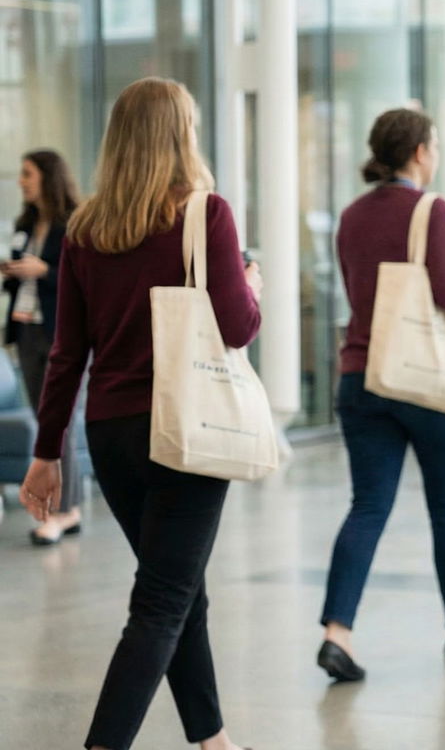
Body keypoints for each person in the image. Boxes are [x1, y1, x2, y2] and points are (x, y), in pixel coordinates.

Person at [18, 77, 260, 750]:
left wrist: (46, 454)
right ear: (183, 134)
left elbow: (67, 353)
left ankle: (211, 738)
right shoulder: (204, 214)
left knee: (178, 586)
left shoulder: (84, 229)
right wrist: (253, 286)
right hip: (188, 430)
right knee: (161, 600)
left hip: (112, 433)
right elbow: (238, 328)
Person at [316, 107, 445, 683]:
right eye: (436, 145)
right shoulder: (432, 209)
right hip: (425, 381)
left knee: (368, 504)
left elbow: (356, 289)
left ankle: (336, 633)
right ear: (420, 152)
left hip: (362, 374)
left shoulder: (349, 215)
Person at [3, 148, 82, 544]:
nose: (21, 180)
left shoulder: (74, 224)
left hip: (60, 334)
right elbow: (20, 278)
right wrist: (12, 272)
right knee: (44, 420)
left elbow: (80, 281)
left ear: (47, 177)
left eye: (27, 173)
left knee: (59, 424)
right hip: (27, 329)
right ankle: (69, 508)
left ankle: (62, 511)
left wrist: (44, 271)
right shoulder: (26, 222)